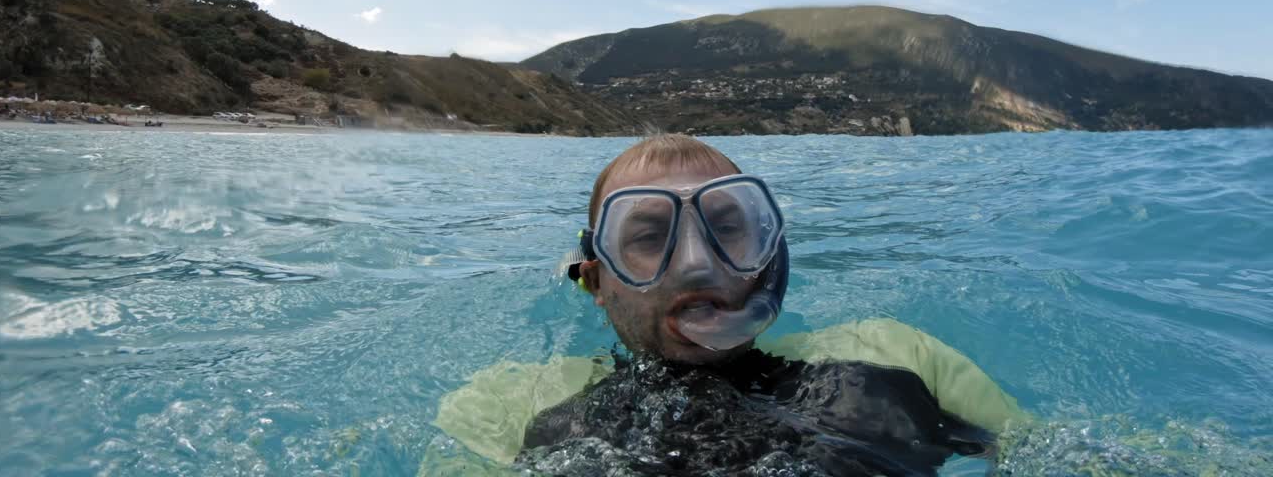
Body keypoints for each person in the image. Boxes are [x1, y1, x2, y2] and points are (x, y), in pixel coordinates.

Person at [422, 135, 1024, 476]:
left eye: (728, 226)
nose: (696, 262)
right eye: (648, 235)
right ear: (599, 280)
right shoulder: (505, 407)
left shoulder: (897, 356)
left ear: (769, 255)